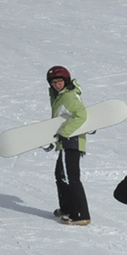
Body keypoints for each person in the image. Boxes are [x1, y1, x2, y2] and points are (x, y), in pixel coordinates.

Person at [46, 66, 91, 225]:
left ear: (65, 81)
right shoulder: (59, 96)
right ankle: (67, 208)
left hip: (72, 140)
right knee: (60, 174)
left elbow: (81, 115)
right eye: (53, 82)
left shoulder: (68, 97)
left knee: (70, 177)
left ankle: (80, 215)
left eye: (59, 81)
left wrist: (64, 133)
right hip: (66, 140)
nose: (57, 85)